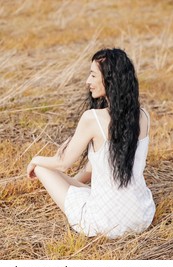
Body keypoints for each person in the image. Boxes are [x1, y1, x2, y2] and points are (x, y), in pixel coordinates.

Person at [27, 48, 156, 238]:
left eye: (93, 75)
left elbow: (62, 164)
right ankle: (80, 193)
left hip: (104, 223)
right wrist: (74, 188)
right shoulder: (143, 115)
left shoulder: (92, 118)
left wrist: (35, 159)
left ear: (110, 79)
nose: (88, 81)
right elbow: (92, 169)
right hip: (141, 216)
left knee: (42, 168)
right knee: (88, 188)